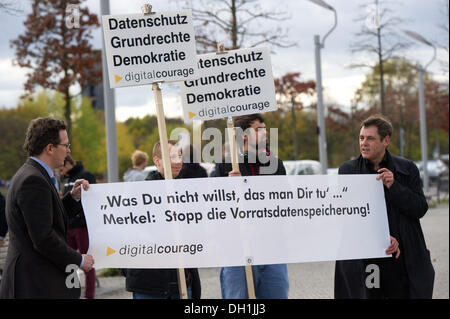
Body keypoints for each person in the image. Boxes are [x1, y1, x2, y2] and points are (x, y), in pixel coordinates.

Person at [334, 114, 435, 299]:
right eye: (361, 138)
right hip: (365, 259)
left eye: (370, 138)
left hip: (404, 258)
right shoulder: (348, 170)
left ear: (386, 140)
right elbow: (347, 215)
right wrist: (380, 238)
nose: (364, 143)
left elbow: (420, 208)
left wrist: (394, 187)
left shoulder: (407, 168)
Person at [0, 117, 94, 299]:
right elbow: (43, 238)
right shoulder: (33, 180)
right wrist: (79, 260)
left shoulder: (33, 174)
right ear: (50, 148)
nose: (68, 151)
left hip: (35, 282)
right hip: (34, 284)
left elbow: (47, 218)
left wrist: (72, 198)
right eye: (66, 145)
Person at [210, 113, 289, 299]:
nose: (265, 133)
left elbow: (285, 201)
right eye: (258, 129)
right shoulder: (226, 167)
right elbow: (213, 207)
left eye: (265, 128)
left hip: (271, 250)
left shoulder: (275, 164)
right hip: (236, 252)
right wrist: (228, 190)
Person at [122, 140, 201, 299]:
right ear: (157, 161)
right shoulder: (139, 195)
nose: (179, 162)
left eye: (180, 156)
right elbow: (125, 234)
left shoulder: (187, 194)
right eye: (172, 157)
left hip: (183, 284)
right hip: (150, 287)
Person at [60, 155, 97, 299]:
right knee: (68, 263)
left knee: (87, 263)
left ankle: (89, 296)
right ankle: (71, 293)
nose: (61, 171)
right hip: (69, 227)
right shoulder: (68, 179)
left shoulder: (85, 175)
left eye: (63, 168)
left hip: (82, 226)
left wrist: (81, 216)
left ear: (69, 163)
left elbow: (92, 198)